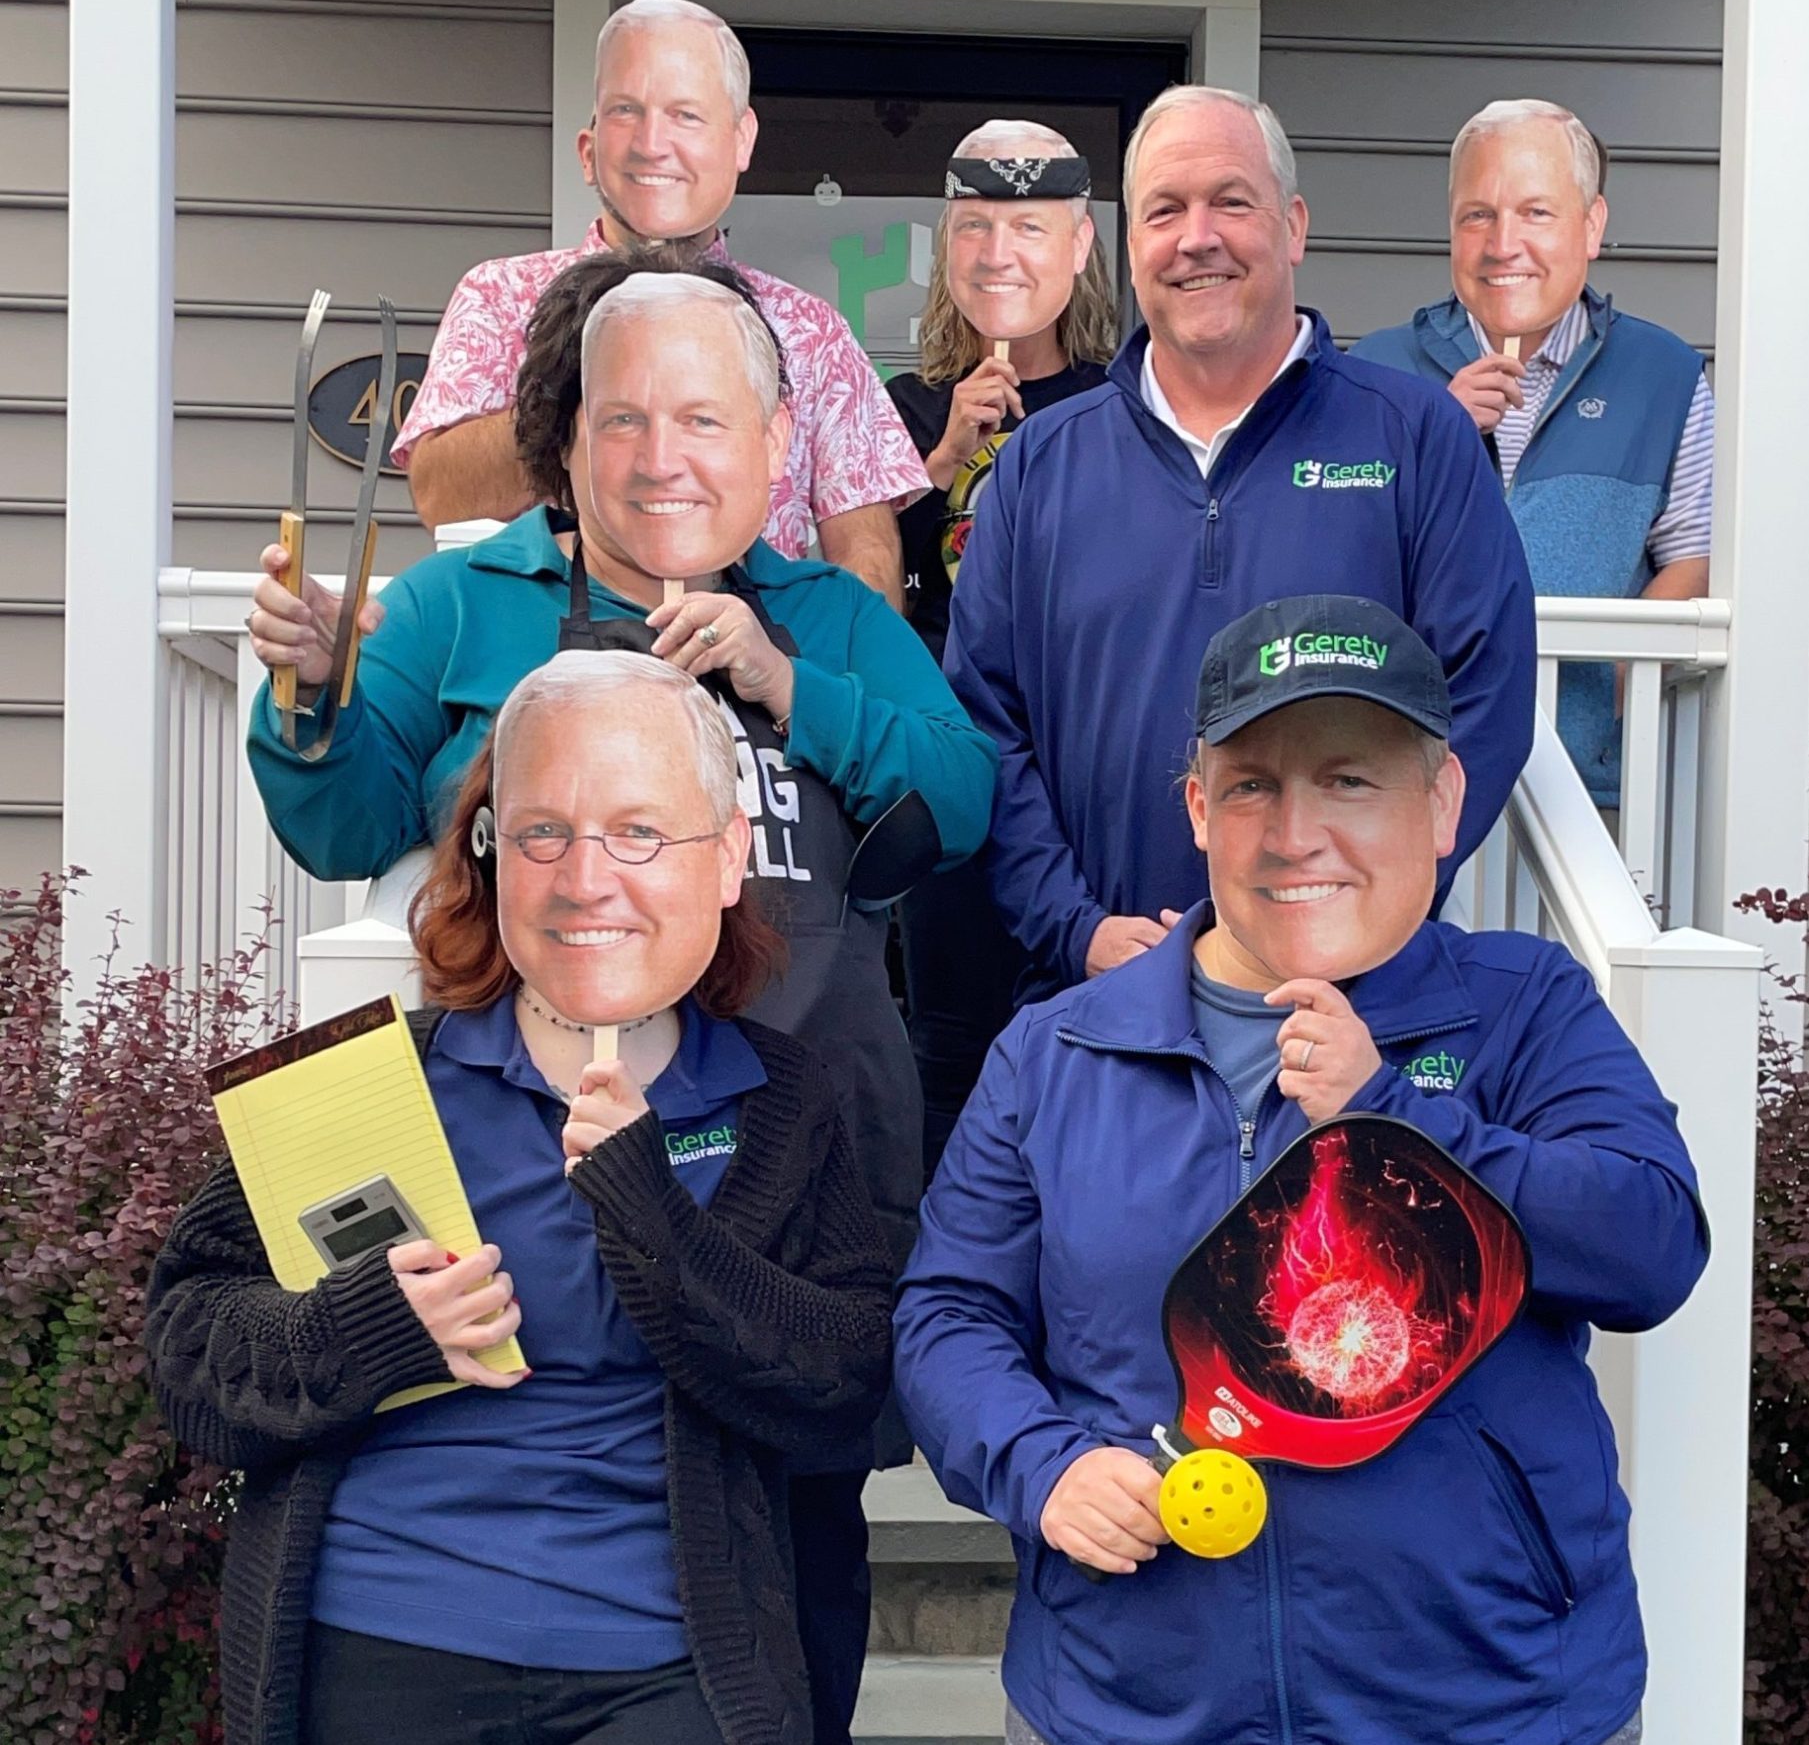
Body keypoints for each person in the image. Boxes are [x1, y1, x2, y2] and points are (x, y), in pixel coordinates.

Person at [245, 261, 996, 1742]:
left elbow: (958, 805)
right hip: (528, 1203)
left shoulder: (828, 616)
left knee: (785, 1594)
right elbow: (341, 823)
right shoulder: (468, 600)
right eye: (625, 418)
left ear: (775, 450)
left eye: (705, 421)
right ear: (566, 439)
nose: (664, 459)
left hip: (791, 1195)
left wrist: (783, 679)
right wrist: (316, 700)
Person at [896, 594, 1706, 1745]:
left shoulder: (1524, 1011)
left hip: (1496, 1704)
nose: (1296, 831)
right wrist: (1043, 1465)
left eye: (1351, 780)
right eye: (1253, 785)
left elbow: (1652, 1247)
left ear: (1442, 804)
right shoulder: (1058, 1048)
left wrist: (1396, 1117)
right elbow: (949, 1314)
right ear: (1197, 808)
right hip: (1129, 1706)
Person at [149, 649, 894, 1745]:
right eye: (542, 831)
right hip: (384, 1634)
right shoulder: (370, 1082)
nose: (584, 878)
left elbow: (843, 1384)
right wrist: (371, 1326)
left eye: (638, 832)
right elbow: (188, 1352)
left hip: (666, 1658)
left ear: (729, 855)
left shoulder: (784, 1103)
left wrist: (655, 1217)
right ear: (492, 856)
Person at [945, 83, 1537, 1001]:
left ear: (1292, 226)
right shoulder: (1038, 468)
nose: (1196, 238)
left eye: (1230, 201)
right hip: (1099, 1003)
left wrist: (1351, 913)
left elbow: (1483, 698)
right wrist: (1072, 926)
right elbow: (985, 723)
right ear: (1130, 244)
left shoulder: (1414, 441)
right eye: (1164, 211)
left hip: (1348, 1004)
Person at [394, 0, 926, 607]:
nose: (652, 142)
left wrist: (813, 688)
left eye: (686, 115)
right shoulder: (500, 295)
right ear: (589, 149)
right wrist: (584, 366)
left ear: (741, 140)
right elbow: (441, 500)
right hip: (544, 676)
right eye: (626, 111)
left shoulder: (811, 330)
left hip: (744, 679)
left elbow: (867, 553)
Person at [1352, 98, 1712, 806]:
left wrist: (1599, 704)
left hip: (1591, 803)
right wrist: (1435, 436)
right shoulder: (1372, 375)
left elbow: (1690, 559)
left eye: (1535, 213)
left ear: (1592, 226)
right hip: (1404, 796)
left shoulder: (1663, 375)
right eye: (1476, 215)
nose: (1501, 243)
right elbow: (1334, 550)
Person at [885, 117, 1119, 1173]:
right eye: (975, 224)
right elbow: (865, 588)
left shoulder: (1125, 402)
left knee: (1090, 1032)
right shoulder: (906, 405)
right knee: (950, 1042)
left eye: (1028, 224)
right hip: (950, 761)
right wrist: (942, 458)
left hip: (1077, 758)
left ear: (1078, 246)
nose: (998, 250)